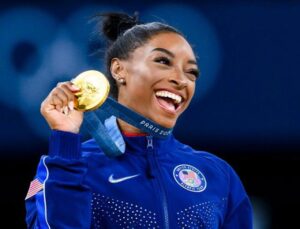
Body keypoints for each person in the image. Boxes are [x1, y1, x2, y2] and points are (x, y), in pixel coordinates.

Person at [25, 12, 253, 228]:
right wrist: (65, 137)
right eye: (163, 61)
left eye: (191, 72)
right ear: (118, 69)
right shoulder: (69, 165)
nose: (182, 80)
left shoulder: (218, 175)